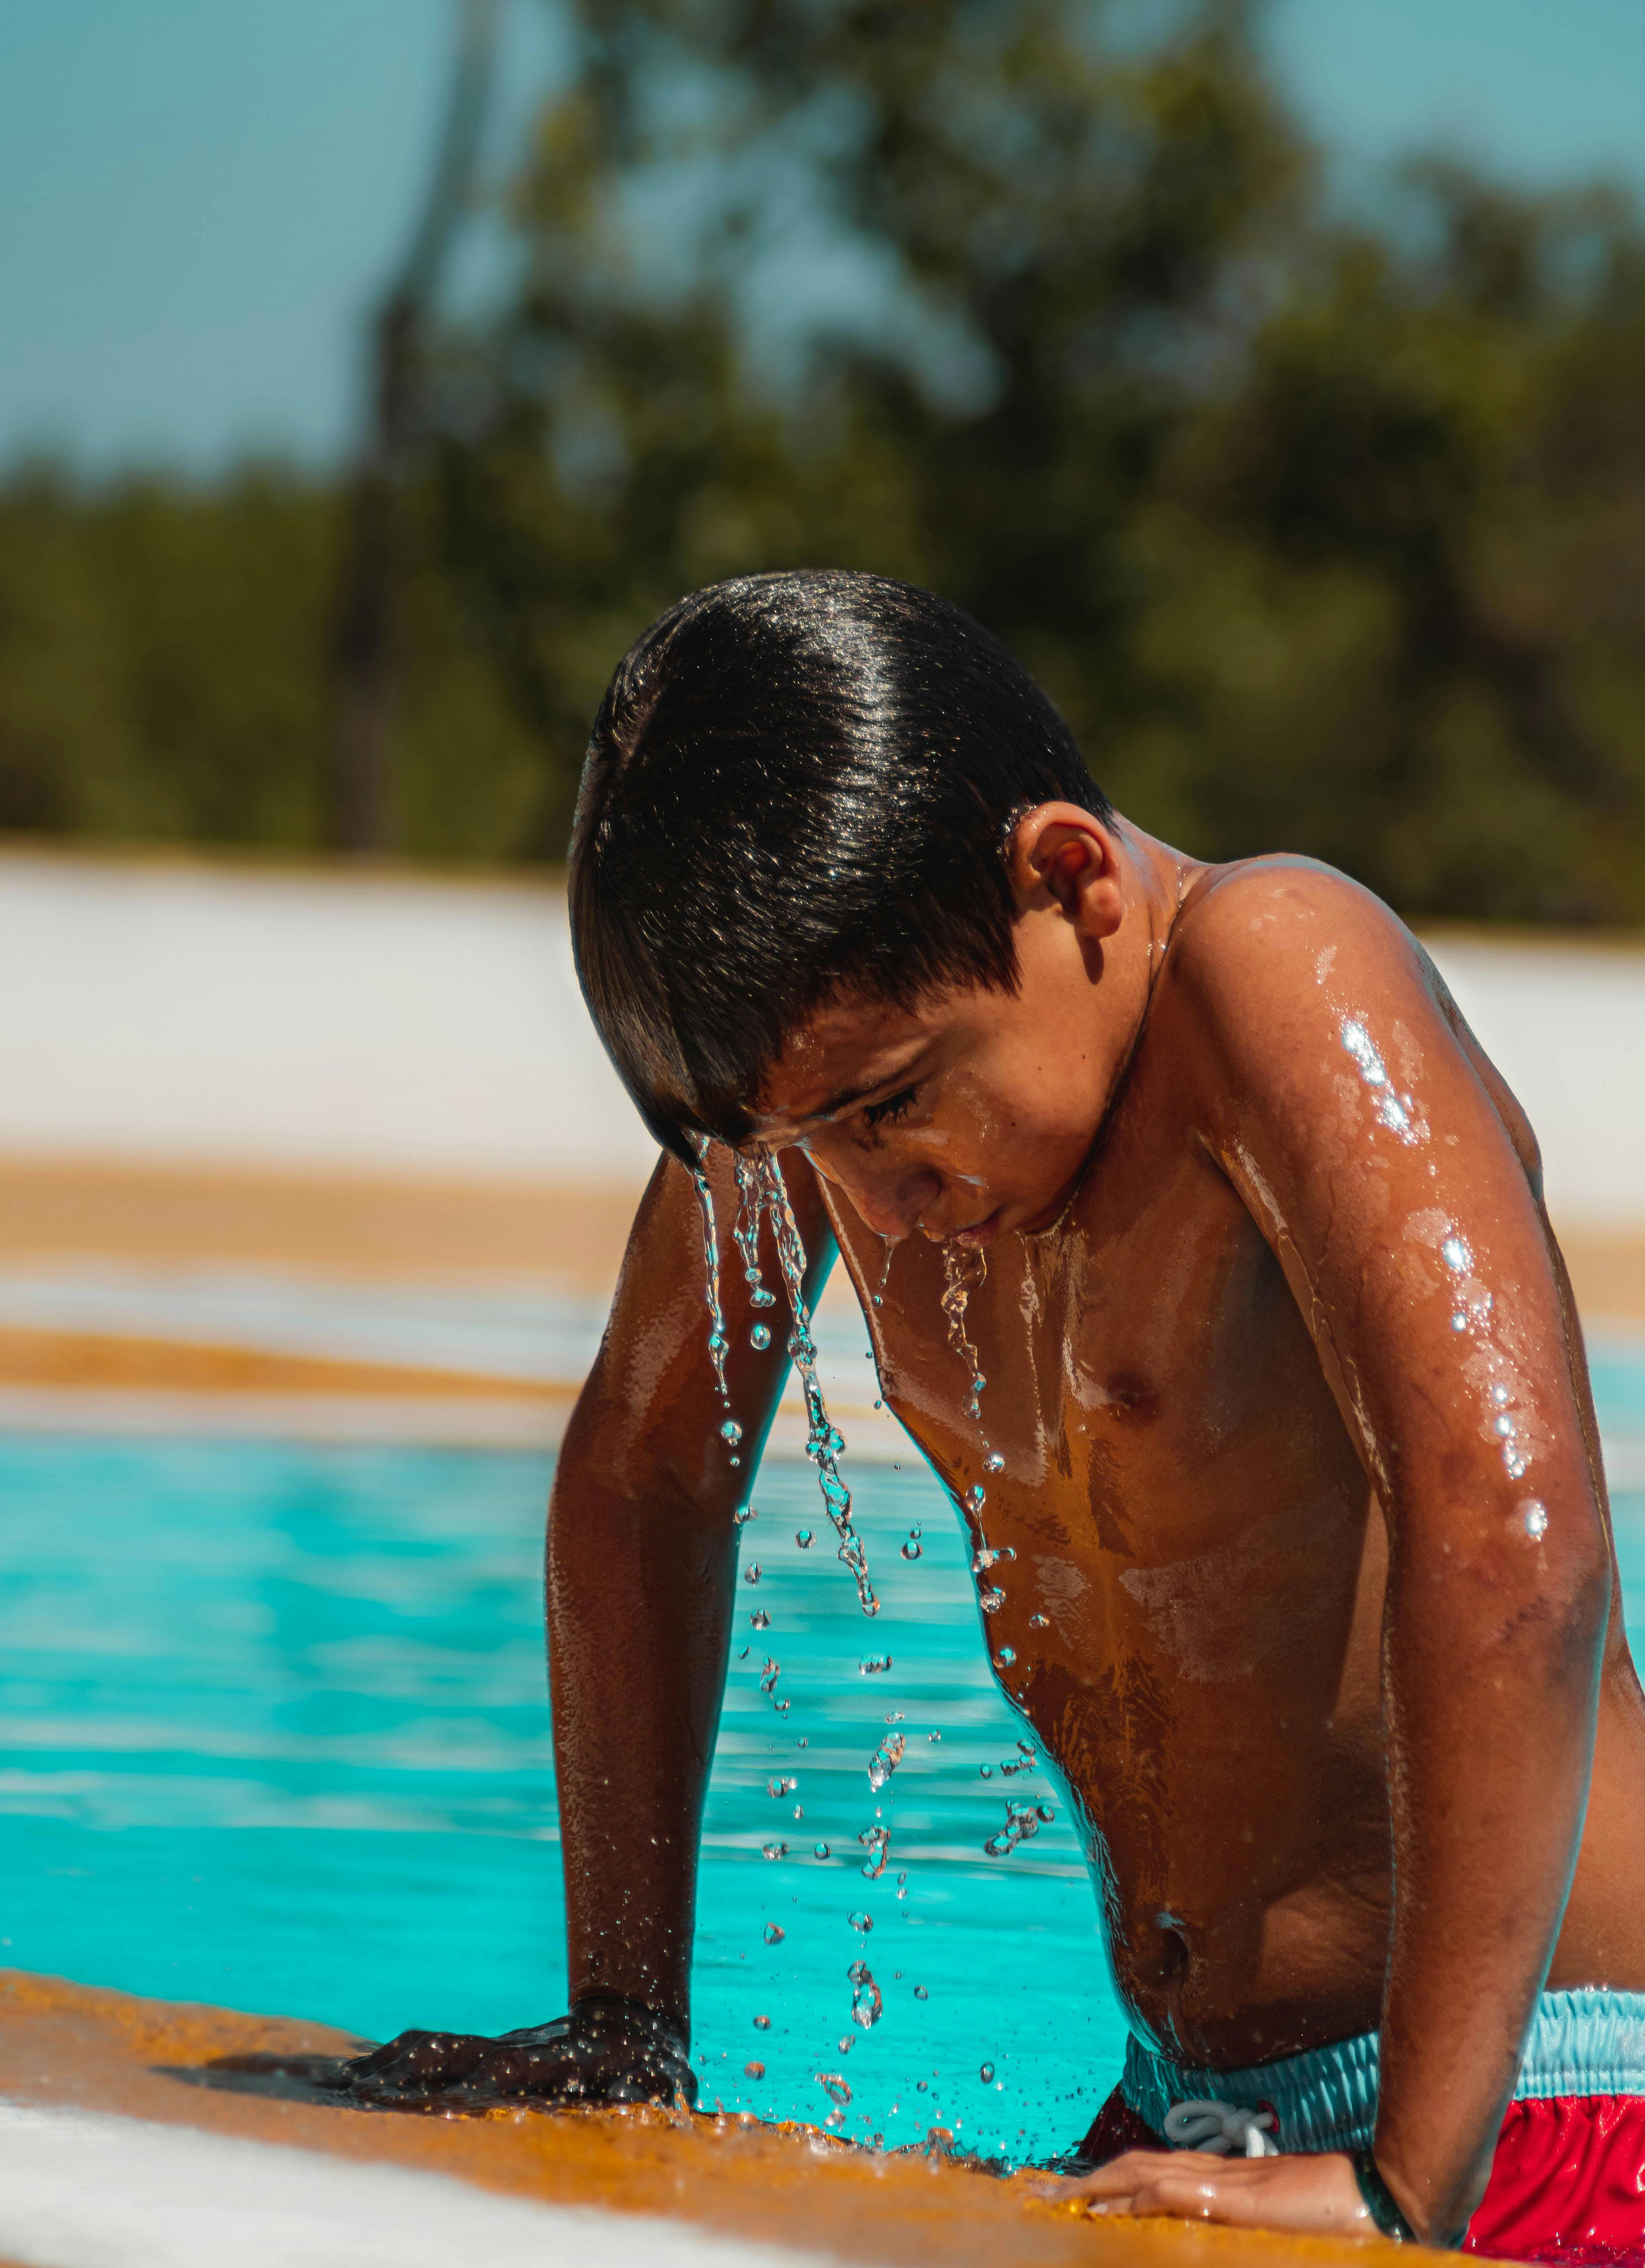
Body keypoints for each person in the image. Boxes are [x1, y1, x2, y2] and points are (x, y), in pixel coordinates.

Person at [338, 571, 1645, 2257]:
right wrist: (625, 2021)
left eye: (892, 1110)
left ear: (1069, 882)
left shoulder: (1273, 975)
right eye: (808, 1145)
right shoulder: (835, 1102)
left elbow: (1511, 1528)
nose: (868, 1204)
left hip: (1551, 2100)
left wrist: (1410, 2181)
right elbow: (644, 1477)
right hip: (1196, 2101)